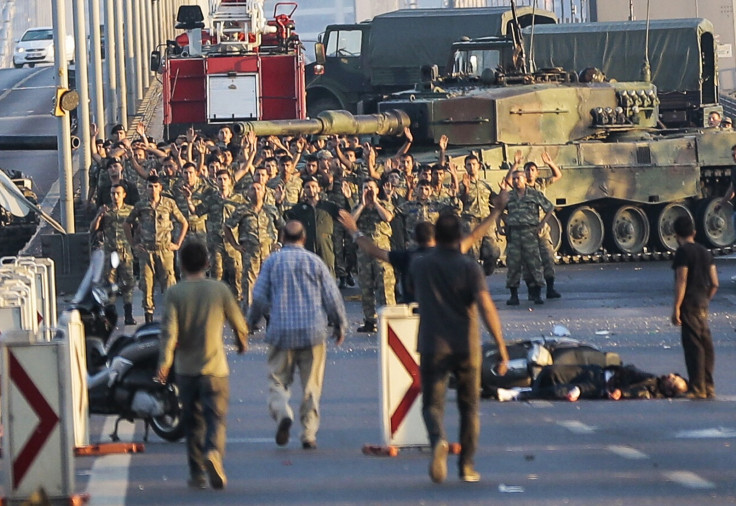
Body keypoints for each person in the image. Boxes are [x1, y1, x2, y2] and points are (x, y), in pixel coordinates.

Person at [408, 213, 509, 484]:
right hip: (466, 345)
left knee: (432, 405)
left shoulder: (420, 264)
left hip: (432, 344)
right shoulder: (469, 267)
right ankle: (466, 466)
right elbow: (486, 306)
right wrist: (501, 346)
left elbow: (410, 287)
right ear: (459, 237)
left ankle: (438, 439)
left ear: (436, 237)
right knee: (469, 408)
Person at [156, 239, 249, 490]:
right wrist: (241, 342)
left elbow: (169, 333)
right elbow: (239, 322)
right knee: (215, 418)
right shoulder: (219, 290)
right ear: (208, 263)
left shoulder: (175, 293)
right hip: (215, 369)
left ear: (181, 264)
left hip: (186, 371)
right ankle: (214, 453)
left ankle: (197, 473)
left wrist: (164, 366)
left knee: (192, 422)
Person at [248, 221, 348, 450]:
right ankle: (308, 434)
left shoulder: (272, 262)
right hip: (312, 333)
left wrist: (250, 323)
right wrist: (340, 325)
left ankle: (283, 411)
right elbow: (332, 297)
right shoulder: (315, 262)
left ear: (282, 237)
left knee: (277, 380)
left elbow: (260, 297)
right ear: (304, 238)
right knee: (311, 386)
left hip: (281, 331)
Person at [124, 175, 188, 323]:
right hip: (146, 251)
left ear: (161, 188)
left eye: (155, 186)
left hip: (165, 250)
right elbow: (127, 224)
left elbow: (184, 222)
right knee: (147, 285)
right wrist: (133, 243)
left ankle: (171, 319)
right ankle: (149, 318)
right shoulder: (141, 205)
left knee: (169, 284)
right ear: (146, 188)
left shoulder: (169, 203)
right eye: (149, 186)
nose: (152, 190)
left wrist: (177, 243)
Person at [671, 215, 718, 399]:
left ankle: (697, 388)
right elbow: (715, 283)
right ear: (694, 232)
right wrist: (706, 299)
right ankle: (708, 385)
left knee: (693, 346)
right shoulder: (706, 252)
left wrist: (676, 307)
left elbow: (682, 280)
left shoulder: (683, 252)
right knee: (706, 344)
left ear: (676, 235)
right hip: (702, 303)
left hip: (689, 303)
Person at [496, 364, 689, 402]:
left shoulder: (650, 391)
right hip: (598, 373)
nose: (670, 380)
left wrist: (621, 392)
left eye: (673, 386)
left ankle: (517, 394)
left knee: (561, 391)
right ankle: (525, 389)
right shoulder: (651, 376)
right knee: (551, 371)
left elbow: (638, 392)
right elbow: (630, 371)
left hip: (598, 387)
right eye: (674, 378)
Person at [502, 170, 554, 305]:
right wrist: (502, 222)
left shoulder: (534, 194)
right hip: (514, 233)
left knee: (534, 263)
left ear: (525, 179)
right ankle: (514, 296)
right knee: (513, 264)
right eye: (513, 179)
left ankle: (537, 294)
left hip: (530, 232)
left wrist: (542, 223)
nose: (515, 181)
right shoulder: (509, 196)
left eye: (518, 178)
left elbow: (549, 207)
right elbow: (499, 209)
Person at [89, 184, 137, 325]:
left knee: (128, 284)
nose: (115, 196)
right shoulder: (106, 210)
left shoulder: (130, 210)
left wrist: (136, 243)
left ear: (123, 195)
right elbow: (93, 228)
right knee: (109, 284)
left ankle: (128, 315)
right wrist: (99, 215)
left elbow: (139, 226)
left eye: (117, 193)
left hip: (125, 252)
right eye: (112, 194)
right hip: (109, 252)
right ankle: (110, 315)